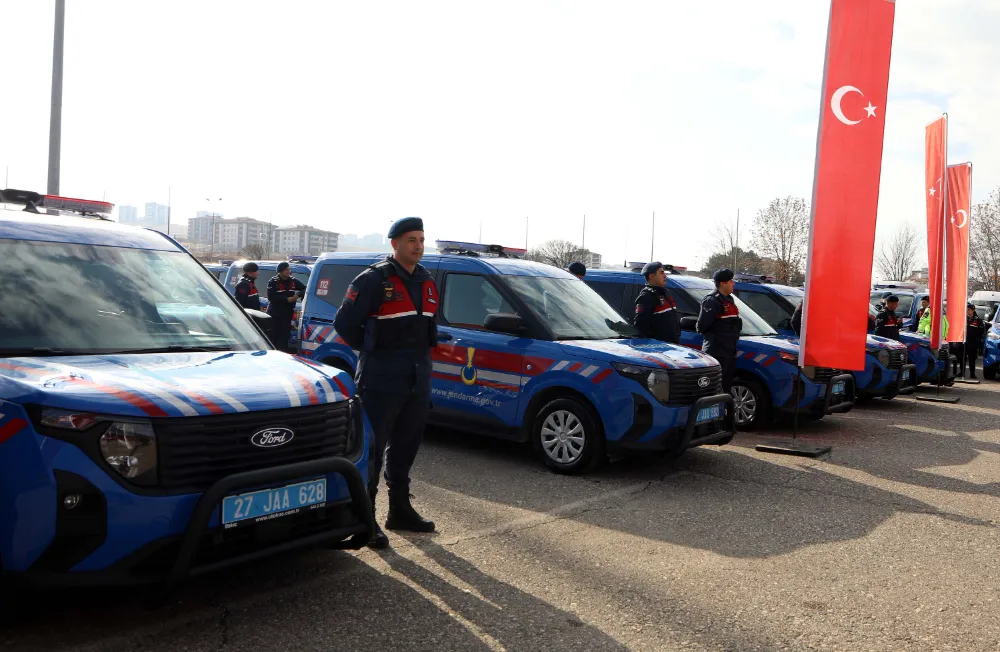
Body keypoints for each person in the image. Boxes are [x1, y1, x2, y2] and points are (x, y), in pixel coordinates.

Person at [334, 216, 438, 549]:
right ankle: (366, 519)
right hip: (380, 379)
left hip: (417, 380)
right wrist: (373, 349)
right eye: (411, 240)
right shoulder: (373, 279)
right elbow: (344, 323)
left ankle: (400, 510)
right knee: (373, 451)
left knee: (406, 448)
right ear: (395, 243)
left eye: (421, 240)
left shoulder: (426, 280)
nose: (418, 246)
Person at [696, 268, 742, 393]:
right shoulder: (712, 300)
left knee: (725, 387)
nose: (733, 284)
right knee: (713, 388)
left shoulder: (729, 299)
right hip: (716, 352)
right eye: (730, 281)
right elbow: (702, 326)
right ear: (722, 283)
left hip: (729, 352)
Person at [632, 261, 680, 344]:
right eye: (661, 273)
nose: (665, 276)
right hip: (657, 347)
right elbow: (641, 326)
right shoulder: (647, 296)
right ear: (651, 276)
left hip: (671, 345)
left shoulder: (664, 293)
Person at [266, 262, 306, 352]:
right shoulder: (273, 281)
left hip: (287, 313)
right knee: (273, 335)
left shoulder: (293, 280)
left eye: (289, 269)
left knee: (284, 335)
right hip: (275, 313)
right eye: (286, 270)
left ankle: (282, 352)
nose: (289, 271)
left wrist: (298, 294)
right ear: (281, 271)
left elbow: (305, 288)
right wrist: (286, 299)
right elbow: (271, 297)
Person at [961, 303, 985, 379]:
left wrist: (975, 334)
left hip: (973, 342)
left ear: (973, 310)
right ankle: (962, 373)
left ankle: (972, 374)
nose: (967, 311)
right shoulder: (964, 319)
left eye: (969, 310)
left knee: (972, 359)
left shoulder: (977, 320)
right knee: (962, 358)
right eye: (967, 309)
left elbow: (981, 331)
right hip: (964, 342)